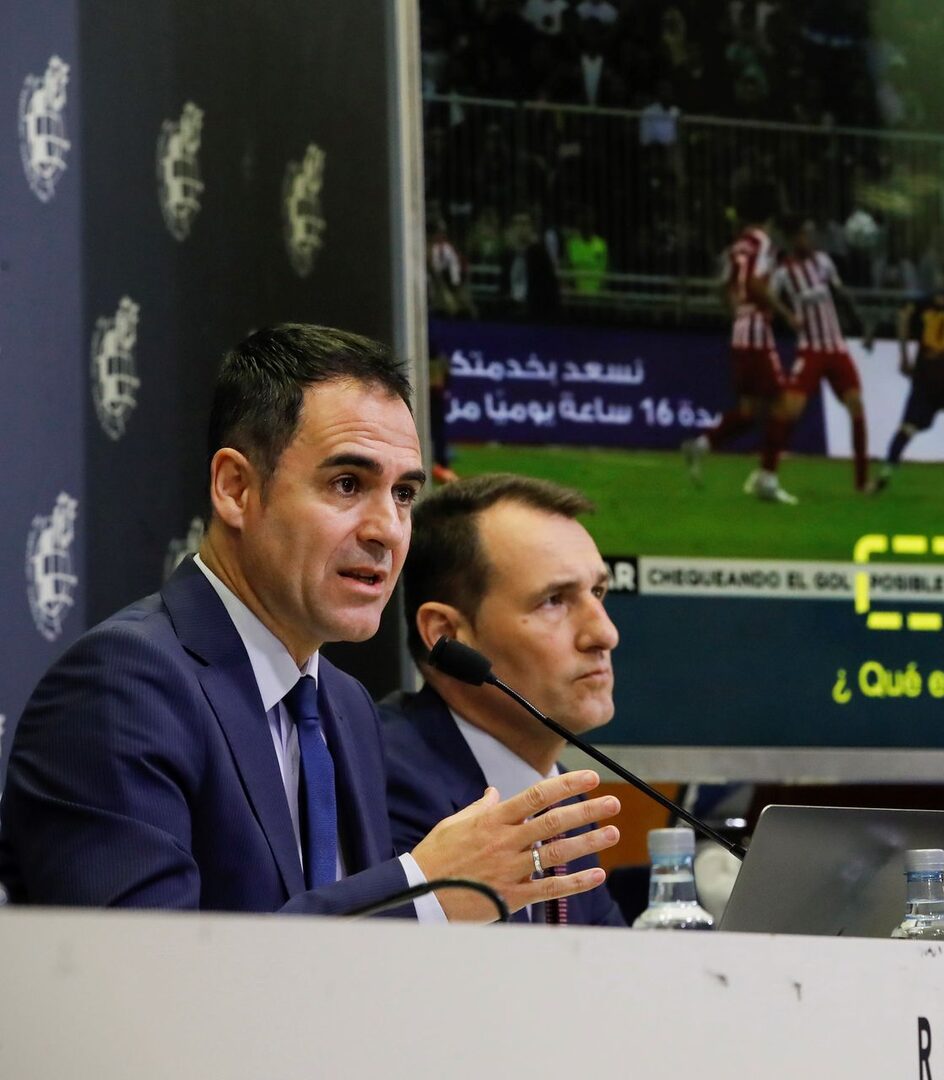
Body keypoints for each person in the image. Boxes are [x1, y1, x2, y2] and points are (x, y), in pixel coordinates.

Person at [0, 325, 619, 920]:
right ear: (236, 488)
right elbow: (144, 971)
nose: (387, 530)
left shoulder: (345, 708)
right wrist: (425, 894)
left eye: (404, 494)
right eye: (348, 484)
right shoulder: (123, 686)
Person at [380, 474, 625, 926]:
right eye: (553, 600)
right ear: (447, 636)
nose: (605, 634)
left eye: (597, 592)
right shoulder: (381, 782)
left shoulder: (563, 800)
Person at [681, 181, 801, 503]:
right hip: (758, 331)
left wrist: (737, 312)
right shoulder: (763, 242)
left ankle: (701, 445)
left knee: (749, 412)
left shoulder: (737, 245)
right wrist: (786, 313)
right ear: (770, 214)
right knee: (784, 405)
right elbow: (757, 285)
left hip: (740, 330)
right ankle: (768, 479)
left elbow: (722, 286)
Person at [767, 215, 874, 493]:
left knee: (856, 405)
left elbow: (841, 294)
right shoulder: (783, 273)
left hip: (835, 347)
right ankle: (767, 472)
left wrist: (861, 324)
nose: (809, 239)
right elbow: (769, 301)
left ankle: (862, 482)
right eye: (804, 234)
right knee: (791, 409)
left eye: (810, 234)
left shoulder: (823, 262)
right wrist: (787, 316)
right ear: (793, 239)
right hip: (810, 349)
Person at [870, 268, 944, 499]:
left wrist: (903, 355)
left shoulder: (921, 304)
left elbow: (902, 318)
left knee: (908, 428)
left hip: (926, 377)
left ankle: (885, 473)